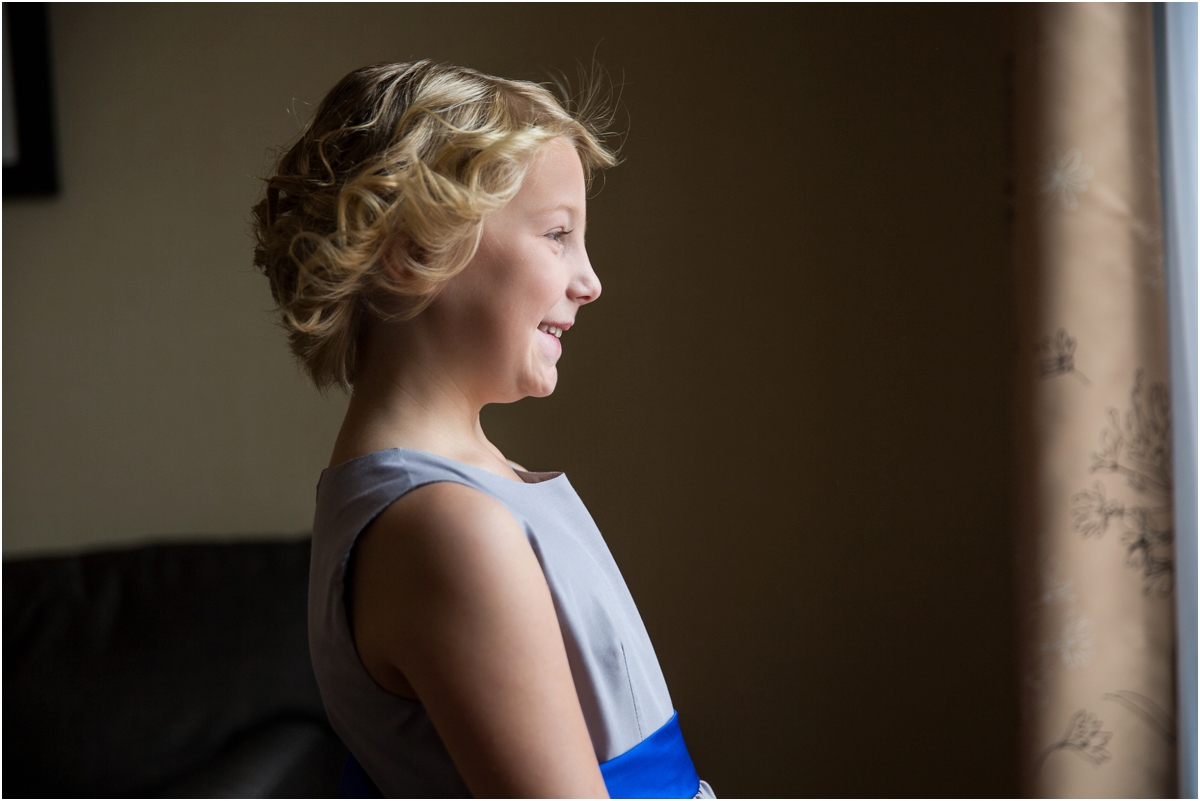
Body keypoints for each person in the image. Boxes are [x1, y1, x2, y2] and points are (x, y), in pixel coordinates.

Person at [253, 61, 713, 799]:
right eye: (558, 234)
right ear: (412, 250)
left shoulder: (450, 490)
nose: (589, 279)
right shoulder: (445, 525)